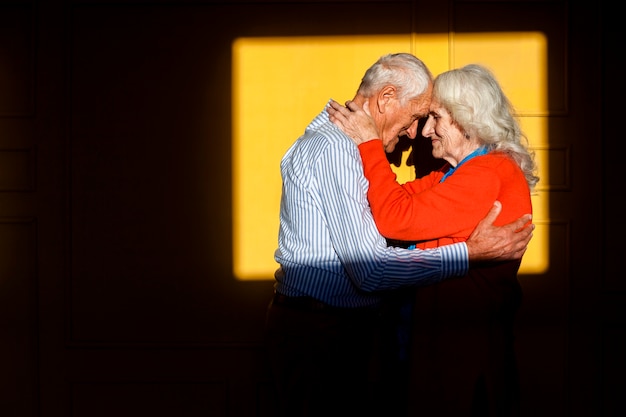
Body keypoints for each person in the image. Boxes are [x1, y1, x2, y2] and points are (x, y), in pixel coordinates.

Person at [265, 54, 534, 417]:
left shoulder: (489, 173)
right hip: (331, 332)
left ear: (468, 118)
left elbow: (394, 216)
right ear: (386, 97)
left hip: (459, 352)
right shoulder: (446, 173)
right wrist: (468, 253)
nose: (420, 132)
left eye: (433, 118)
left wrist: (369, 143)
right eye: (418, 118)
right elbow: (390, 210)